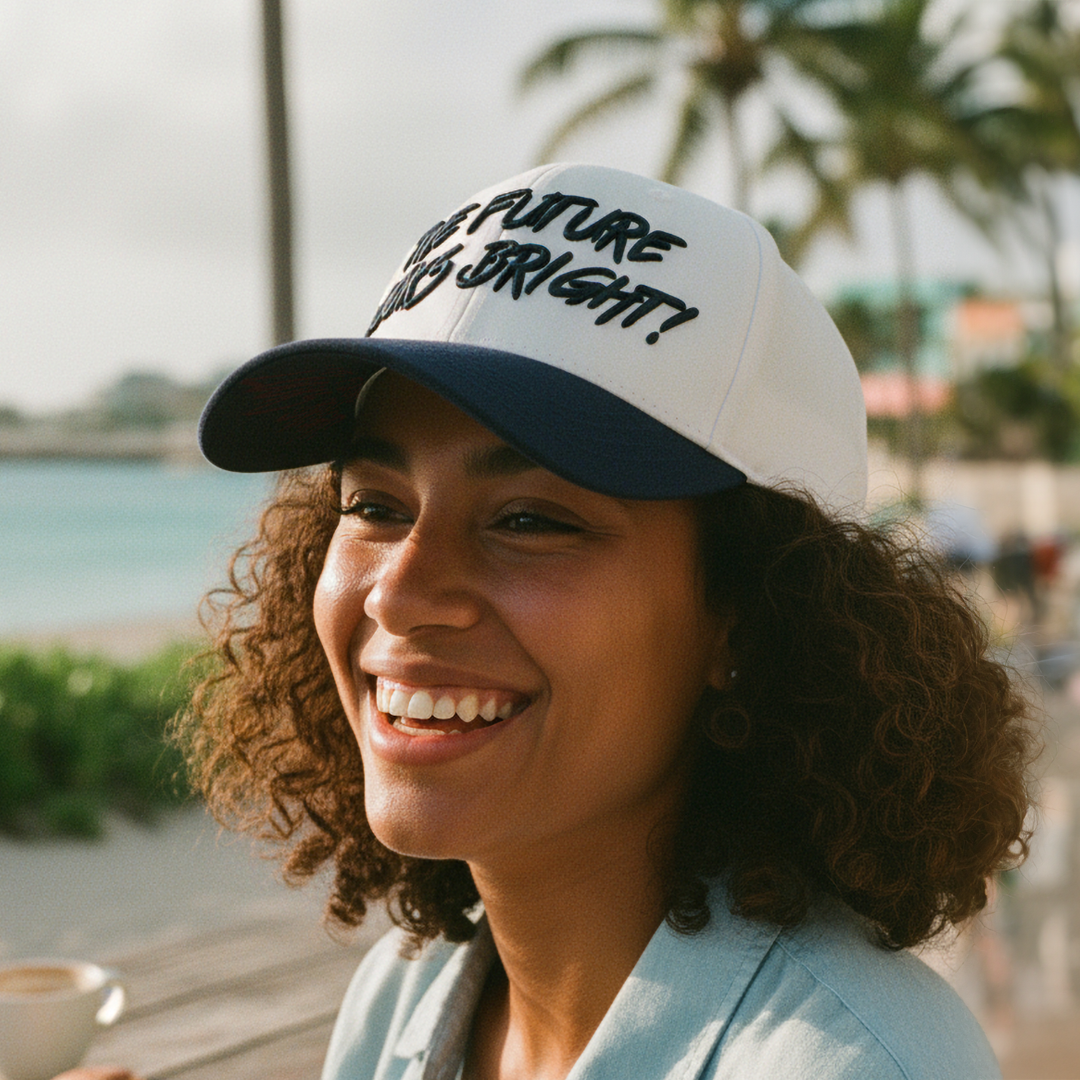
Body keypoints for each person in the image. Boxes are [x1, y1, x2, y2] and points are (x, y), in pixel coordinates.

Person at [76, 164, 1036, 1080]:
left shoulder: (850, 1065)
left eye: (531, 521)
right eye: (374, 504)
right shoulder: (407, 1001)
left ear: (749, 615)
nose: (401, 593)